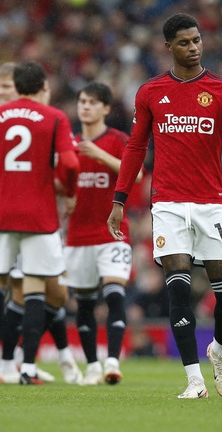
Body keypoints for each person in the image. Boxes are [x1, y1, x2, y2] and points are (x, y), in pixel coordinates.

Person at [107, 13, 222, 399]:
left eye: (197, 40)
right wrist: (119, 200)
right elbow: (135, 147)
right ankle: (194, 380)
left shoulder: (220, 87)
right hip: (168, 204)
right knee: (178, 288)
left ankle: (219, 350)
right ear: (168, 47)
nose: (193, 47)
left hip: (211, 204)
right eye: (184, 42)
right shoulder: (150, 92)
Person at [0, 63, 76, 385]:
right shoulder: (55, 118)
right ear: (43, 86)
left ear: (16, 86)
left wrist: (7, 183)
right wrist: (66, 190)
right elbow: (72, 163)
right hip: (39, 215)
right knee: (35, 287)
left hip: (1, 213)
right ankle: (28, 368)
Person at [62, 82, 142, 386]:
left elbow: (137, 173)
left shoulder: (118, 139)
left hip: (113, 232)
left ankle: (112, 360)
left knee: (114, 293)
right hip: (78, 235)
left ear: (106, 108)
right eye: (82, 101)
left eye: (93, 102)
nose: (85, 106)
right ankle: (92, 365)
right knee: (83, 303)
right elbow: (59, 181)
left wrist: (97, 153)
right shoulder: (68, 142)